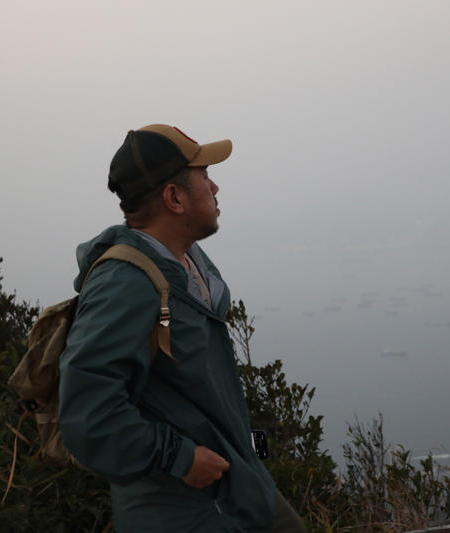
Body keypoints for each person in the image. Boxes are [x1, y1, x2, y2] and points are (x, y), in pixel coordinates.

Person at [58, 124, 305, 532]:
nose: (216, 187)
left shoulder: (187, 261)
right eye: (205, 176)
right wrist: (181, 458)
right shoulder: (124, 283)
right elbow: (88, 415)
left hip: (232, 481)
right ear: (174, 198)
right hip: (180, 505)